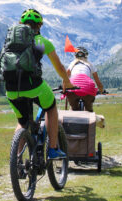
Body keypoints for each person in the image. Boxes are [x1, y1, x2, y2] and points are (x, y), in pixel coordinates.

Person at [5, 8, 75, 159]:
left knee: (23, 122)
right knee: (51, 107)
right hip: (34, 86)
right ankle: (53, 149)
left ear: (21, 25)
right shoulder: (41, 42)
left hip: (11, 89)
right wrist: (67, 82)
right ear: (39, 26)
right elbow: (60, 67)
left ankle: (16, 160)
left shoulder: (10, 43)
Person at [65, 46, 104, 112]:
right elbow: (98, 82)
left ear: (75, 56)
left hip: (73, 89)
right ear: (86, 56)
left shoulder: (72, 64)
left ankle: (72, 117)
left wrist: (64, 90)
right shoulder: (90, 65)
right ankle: (90, 117)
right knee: (89, 110)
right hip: (88, 88)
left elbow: (65, 79)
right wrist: (101, 90)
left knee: (73, 109)